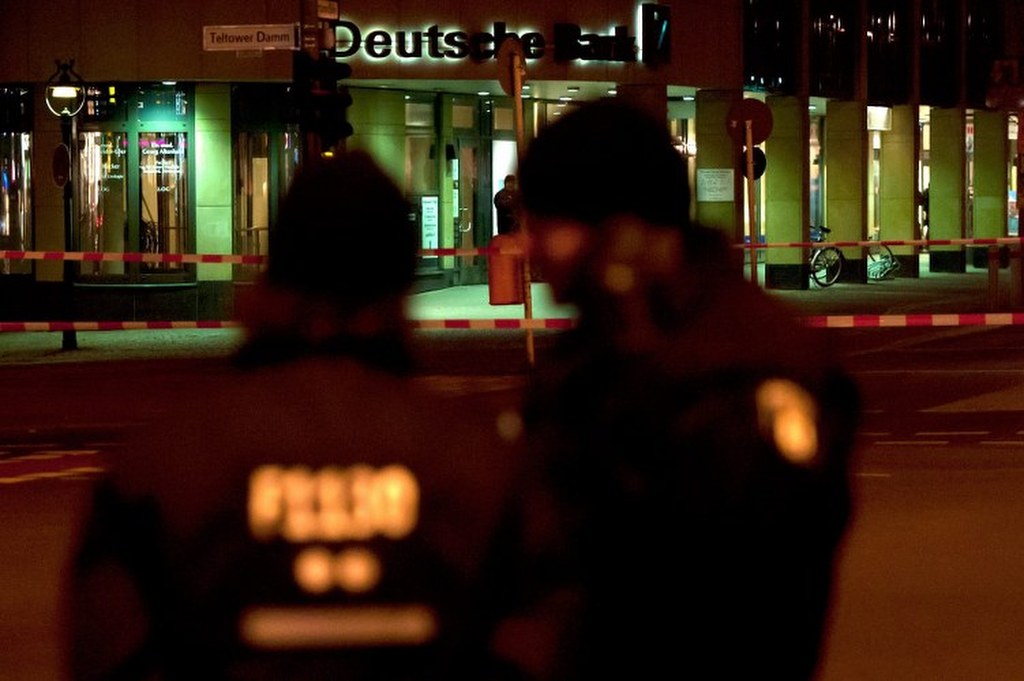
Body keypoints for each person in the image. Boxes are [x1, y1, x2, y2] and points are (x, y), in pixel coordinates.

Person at [65, 151, 522, 681]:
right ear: (400, 285)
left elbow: (110, 649)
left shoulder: (166, 462)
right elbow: (530, 642)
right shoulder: (477, 461)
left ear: (275, 275)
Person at [485, 100, 860, 681]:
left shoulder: (740, 368)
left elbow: (739, 586)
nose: (530, 249)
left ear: (622, 233)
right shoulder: (608, 343)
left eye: (548, 226)